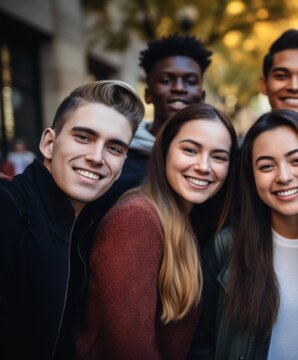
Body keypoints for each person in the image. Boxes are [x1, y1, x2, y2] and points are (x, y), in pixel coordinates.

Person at [189, 110, 298, 359]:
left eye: (297, 160)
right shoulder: (226, 247)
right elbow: (201, 345)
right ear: (252, 177)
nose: (284, 176)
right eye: (267, 166)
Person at [76, 103, 238, 359]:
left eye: (218, 156)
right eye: (190, 150)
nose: (204, 166)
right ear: (164, 151)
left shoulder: (187, 221)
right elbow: (131, 350)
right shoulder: (137, 219)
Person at [0, 80, 145, 359]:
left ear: (123, 163)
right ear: (49, 143)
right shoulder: (8, 208)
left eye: (114, 148)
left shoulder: (90, 222)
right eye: (84, 137)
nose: (96, 157)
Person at [119, 33, 212, 191]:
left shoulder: (217, 162)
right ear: (148, 94)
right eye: (166, 80)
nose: (179, 88)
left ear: (202, 96)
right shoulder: (120, 158)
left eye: (190, 81)